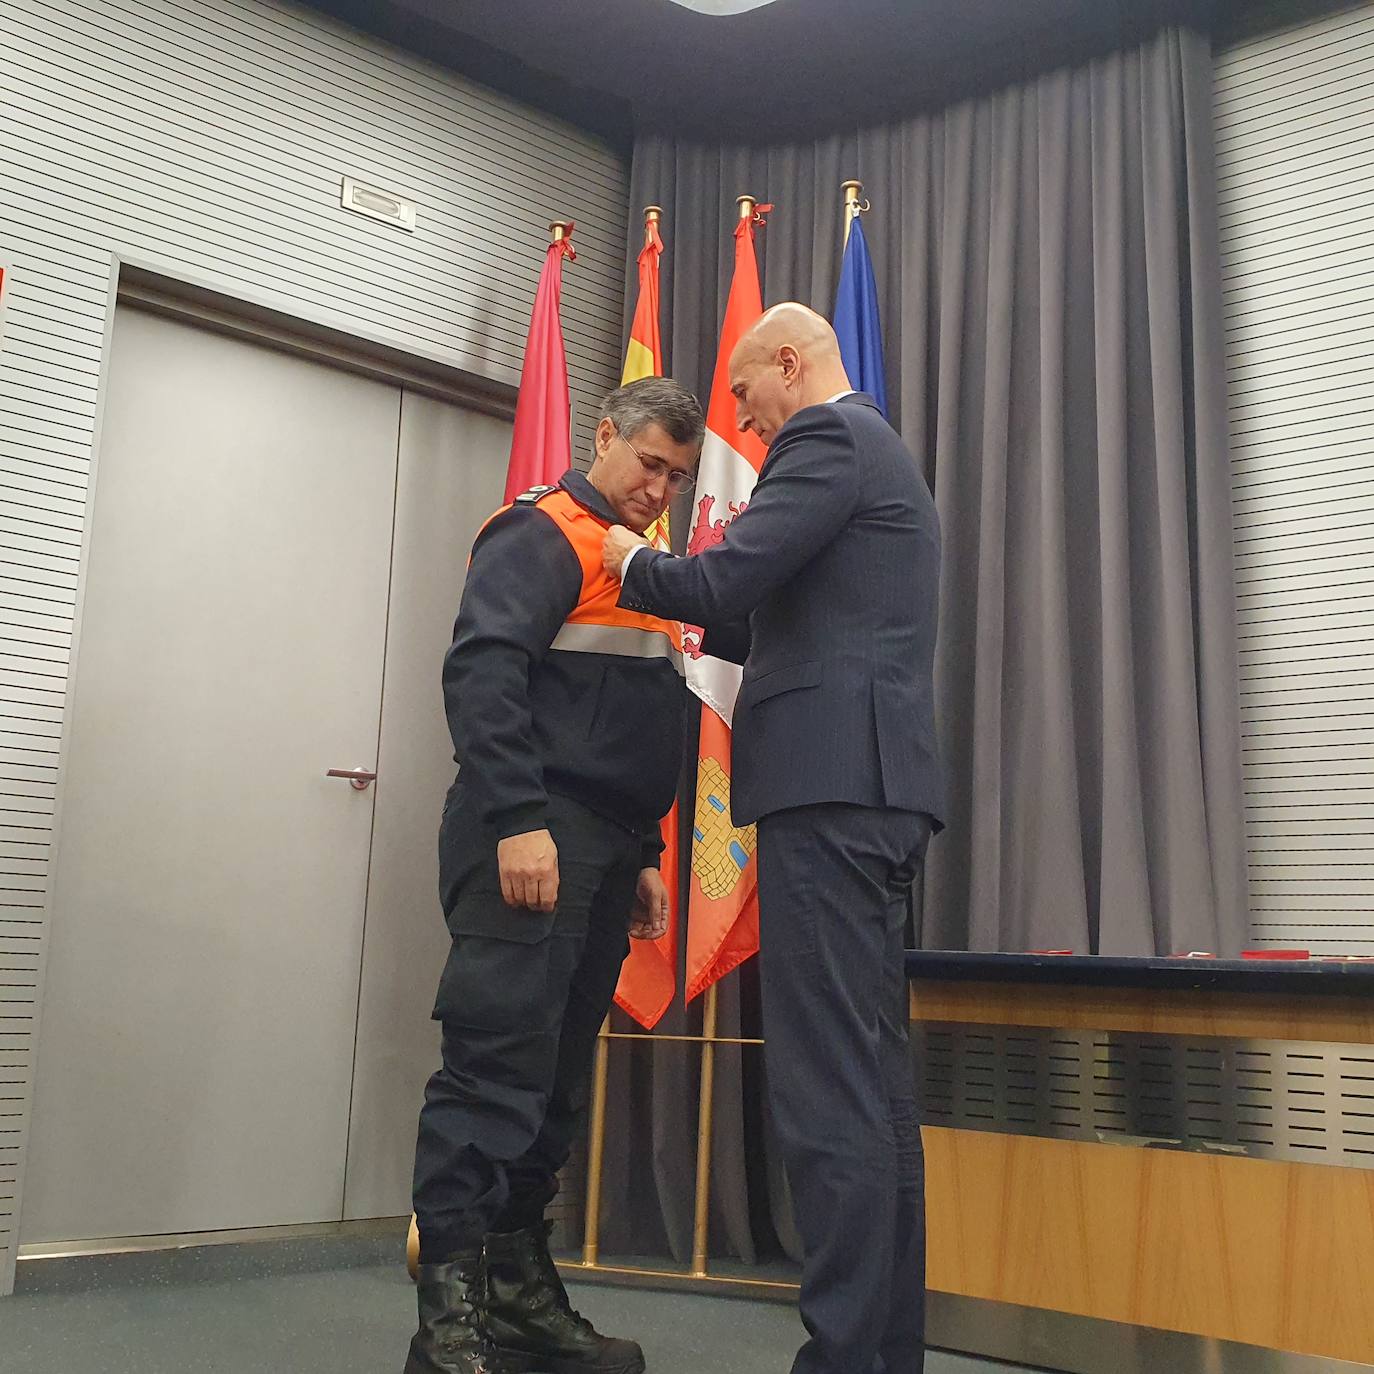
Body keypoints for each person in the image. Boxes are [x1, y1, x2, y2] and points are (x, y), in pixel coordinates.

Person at [604, 304, 946, 1374]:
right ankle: (881, 1355)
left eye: (747, 400)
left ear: (790, 365)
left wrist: (623, 551)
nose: (742, 429)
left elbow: (717, 583)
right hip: (872, 790)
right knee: (872, 1090)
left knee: (824, 1093)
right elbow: (771, 611)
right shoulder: (872, 451)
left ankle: (843, 1361)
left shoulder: (829, 438)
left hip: (832, 793)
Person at [407, 377, 704, 1374]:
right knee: (495, 1069)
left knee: (553, 1087)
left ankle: (517, 1294)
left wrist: (652, 856)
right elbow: (482, 674)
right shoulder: (542, 534)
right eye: (648, 462)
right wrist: (520, 819)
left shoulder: (647, 568)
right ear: (604, 436)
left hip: (609, 847)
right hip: (533, 836)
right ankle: (446, 1319)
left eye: (676, 474)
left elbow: (632, 723)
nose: (657, 487)